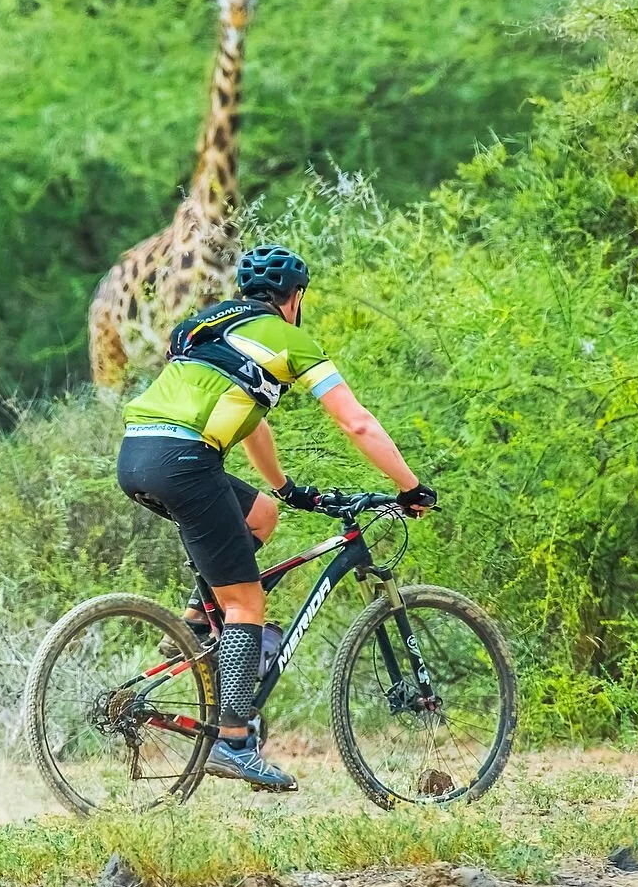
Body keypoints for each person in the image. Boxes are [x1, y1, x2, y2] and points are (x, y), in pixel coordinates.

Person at [117, 246, 435, 792]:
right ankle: (235, 742)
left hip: (136, 455)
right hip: (187, 462)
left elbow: (248, 417)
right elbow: (356, 423)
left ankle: (194, 629)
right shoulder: (289, 340)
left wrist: (285, 488)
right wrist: (410, 487)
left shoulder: (203, 326)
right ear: (296, 298)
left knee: (262, 514)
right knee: (246, 604)